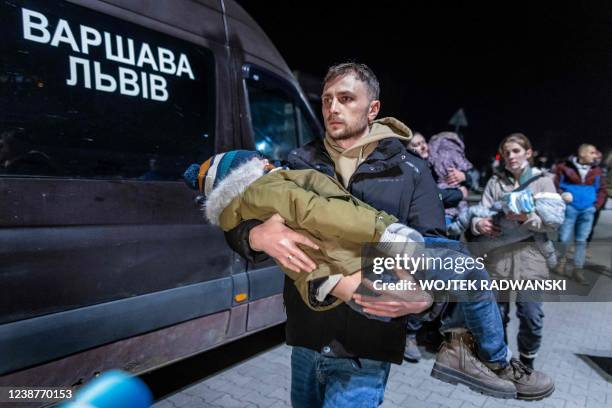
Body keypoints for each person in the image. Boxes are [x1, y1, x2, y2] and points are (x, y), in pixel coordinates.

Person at [224, 63, 553, 406]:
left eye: (346, 98)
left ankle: (489, 359)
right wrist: (254, 237)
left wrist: (425, 301)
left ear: (373, 109)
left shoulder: (411, 170)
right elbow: (236, 224)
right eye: (326, 100)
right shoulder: (298, 163)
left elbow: (432, 253)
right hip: (306, 340)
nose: (333, 108)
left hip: (367, 349)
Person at [471, 133, 560, 370]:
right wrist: (478, 224)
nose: (511, 156)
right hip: (497, 259)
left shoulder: (543, 181)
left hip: (531, 258)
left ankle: (527, 362)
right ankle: (504, 361)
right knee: (497, 316)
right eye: (507, 152)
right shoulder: (495, 182)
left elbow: (553, 223)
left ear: (528, 153)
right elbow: (481, 212)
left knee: (531, 316)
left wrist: (527, 218)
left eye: (516, 151)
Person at [554, 144, 607, 283]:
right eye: (592, 153)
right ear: (582, 154)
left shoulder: (597, 171)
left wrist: (595, 206)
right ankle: (561, 262)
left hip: (588, 209)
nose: (595, 156)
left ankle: (578, 269)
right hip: (569, 207)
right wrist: (562, 198)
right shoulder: (564, 167)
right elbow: (556, 185)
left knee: (581, 241)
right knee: (564, 237)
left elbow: (602, 189)